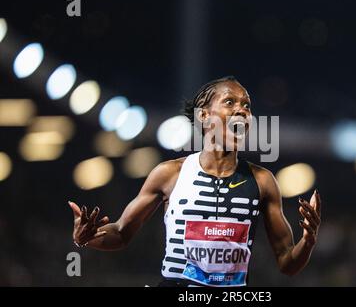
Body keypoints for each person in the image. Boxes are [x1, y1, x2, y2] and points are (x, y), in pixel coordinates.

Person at [68, 76, 321, 287]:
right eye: (230, 101)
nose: (241, 110)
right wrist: (85, 238)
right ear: (204, 116)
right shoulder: (170, 174)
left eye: (247, 105)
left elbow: (287, 264)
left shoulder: (263, 181)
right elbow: (122, 233)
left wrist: (308, 241)